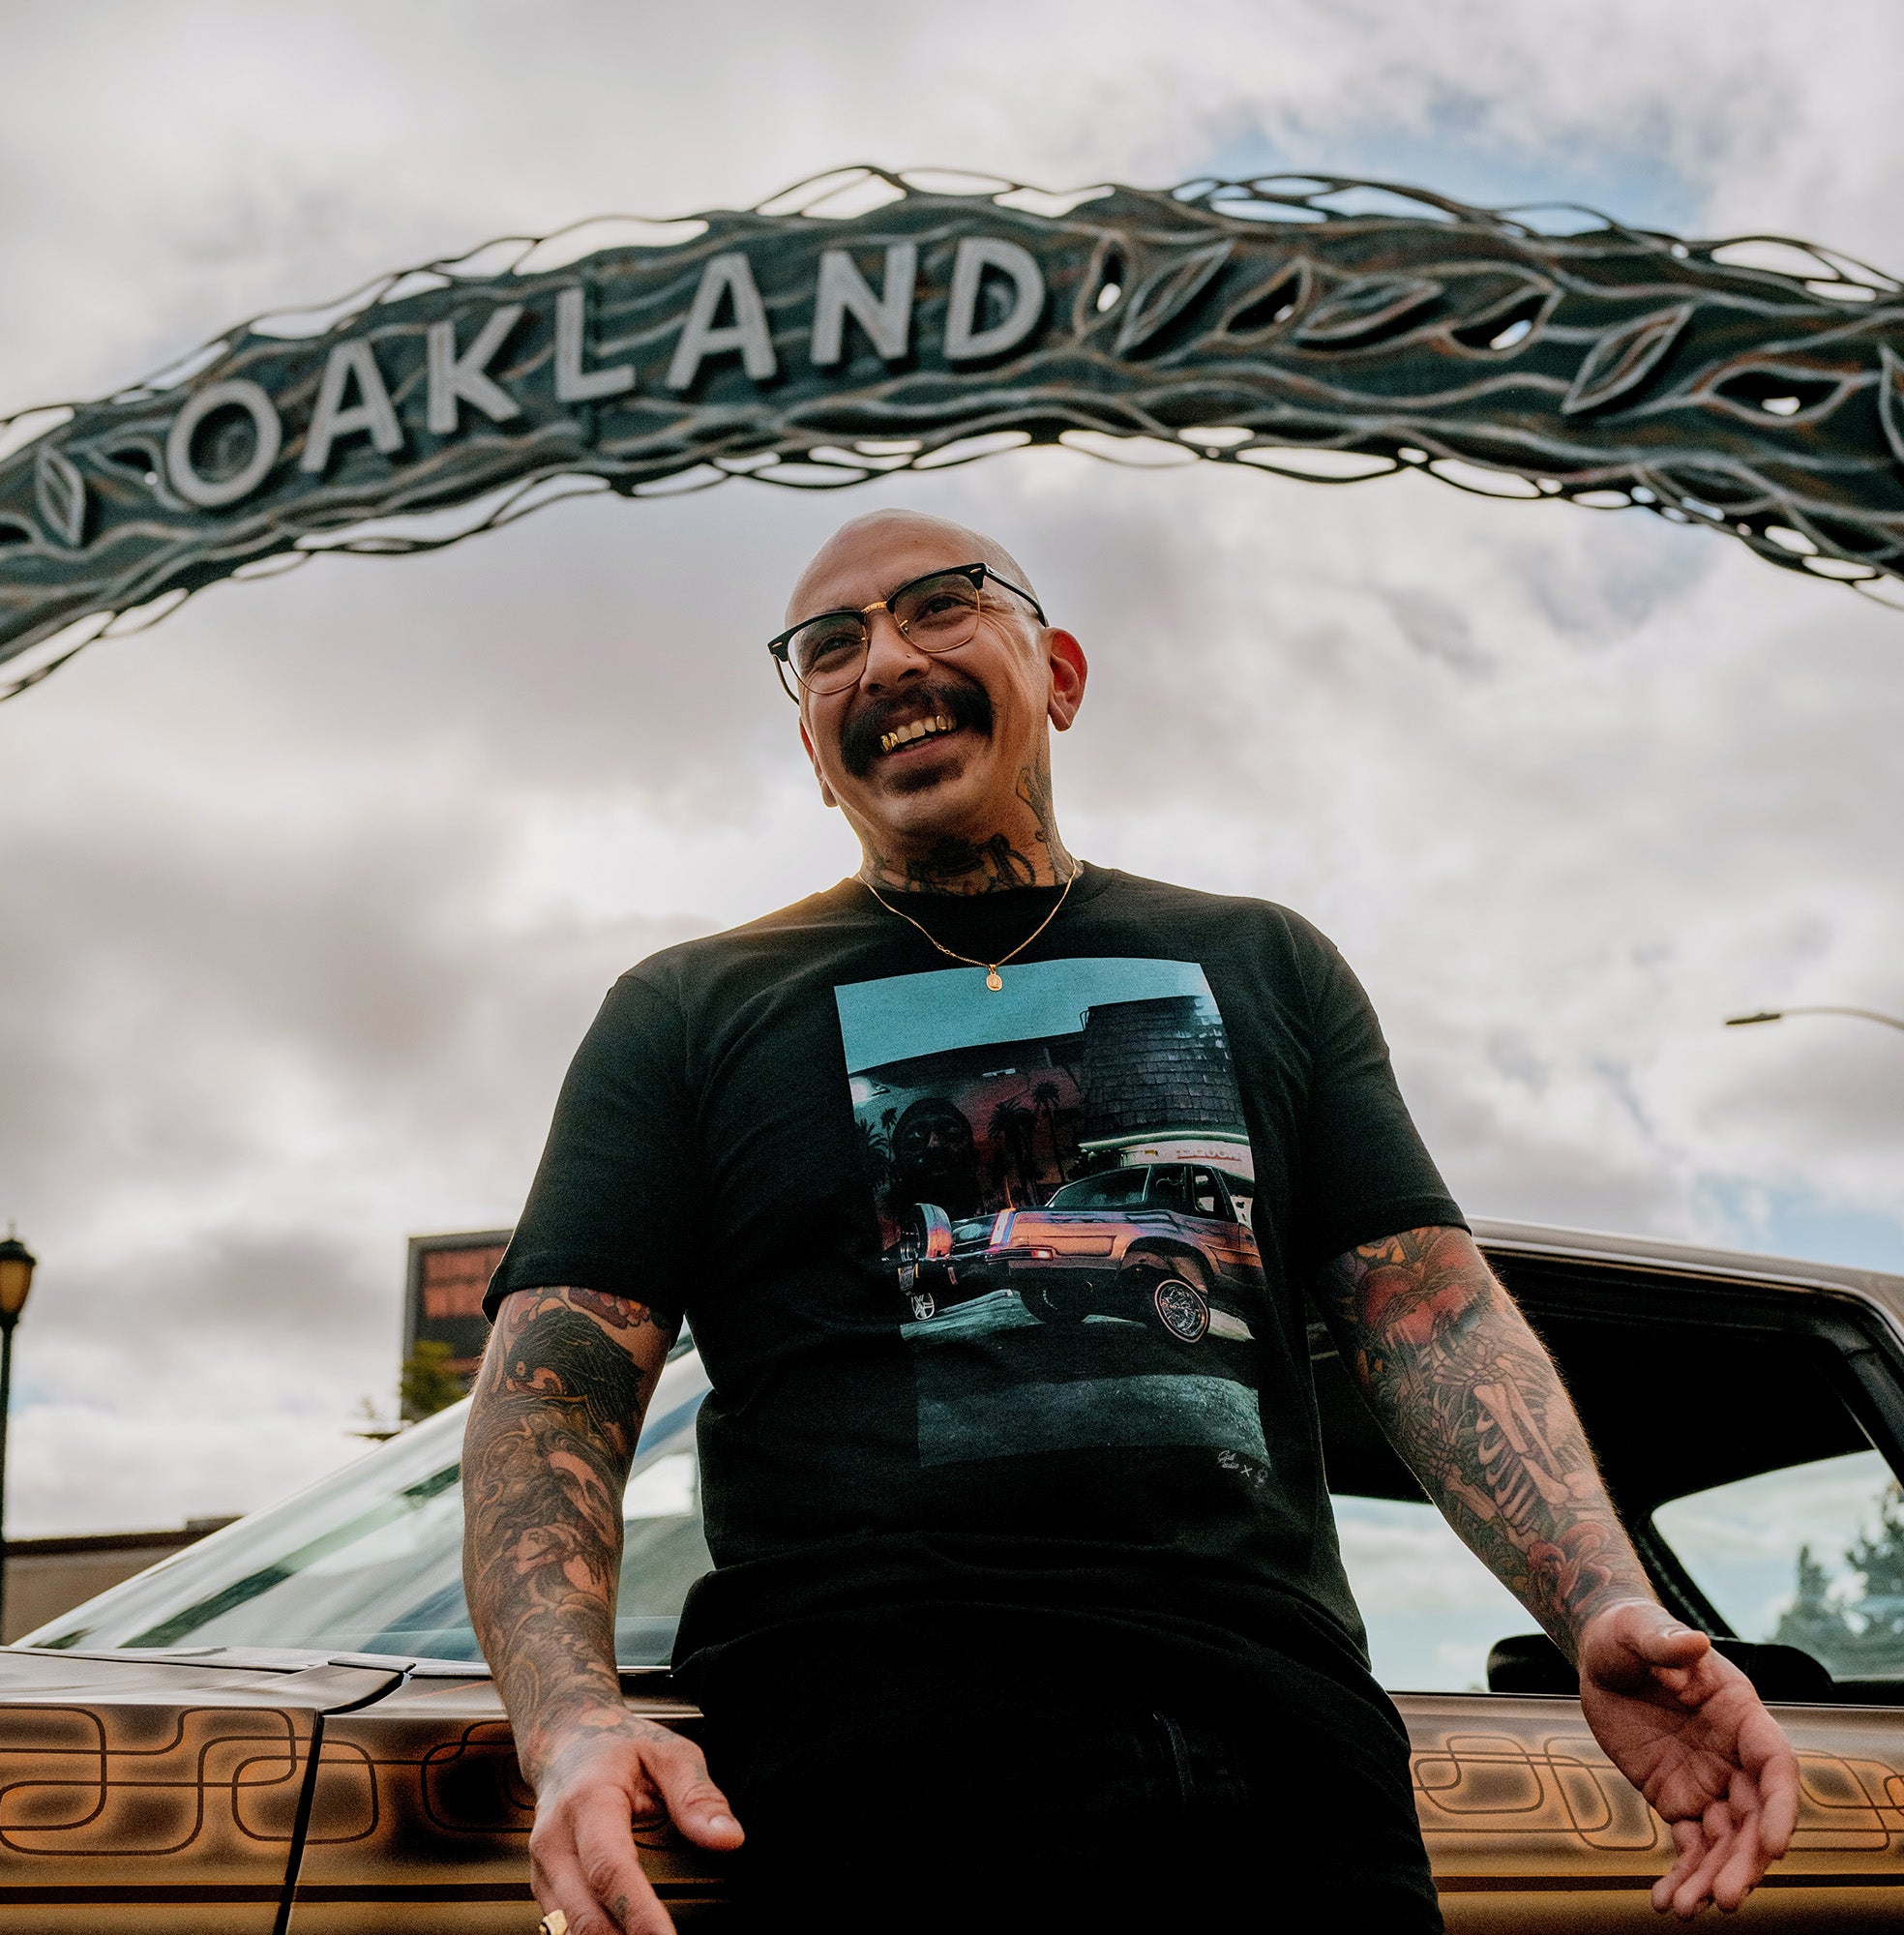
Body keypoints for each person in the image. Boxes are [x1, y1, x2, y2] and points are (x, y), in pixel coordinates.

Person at [462, 509, 1800, 1934]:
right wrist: (572, 1722)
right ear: (809, 744)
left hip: (1290, 1768)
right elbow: (554, 1389)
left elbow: (1429, 1317)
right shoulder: (688, 1011)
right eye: (828, 648)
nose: (885, 660)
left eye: (939, 607)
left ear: (1064, 675)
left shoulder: (1264, 962)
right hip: (879, 1767)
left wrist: (1599, 1606)